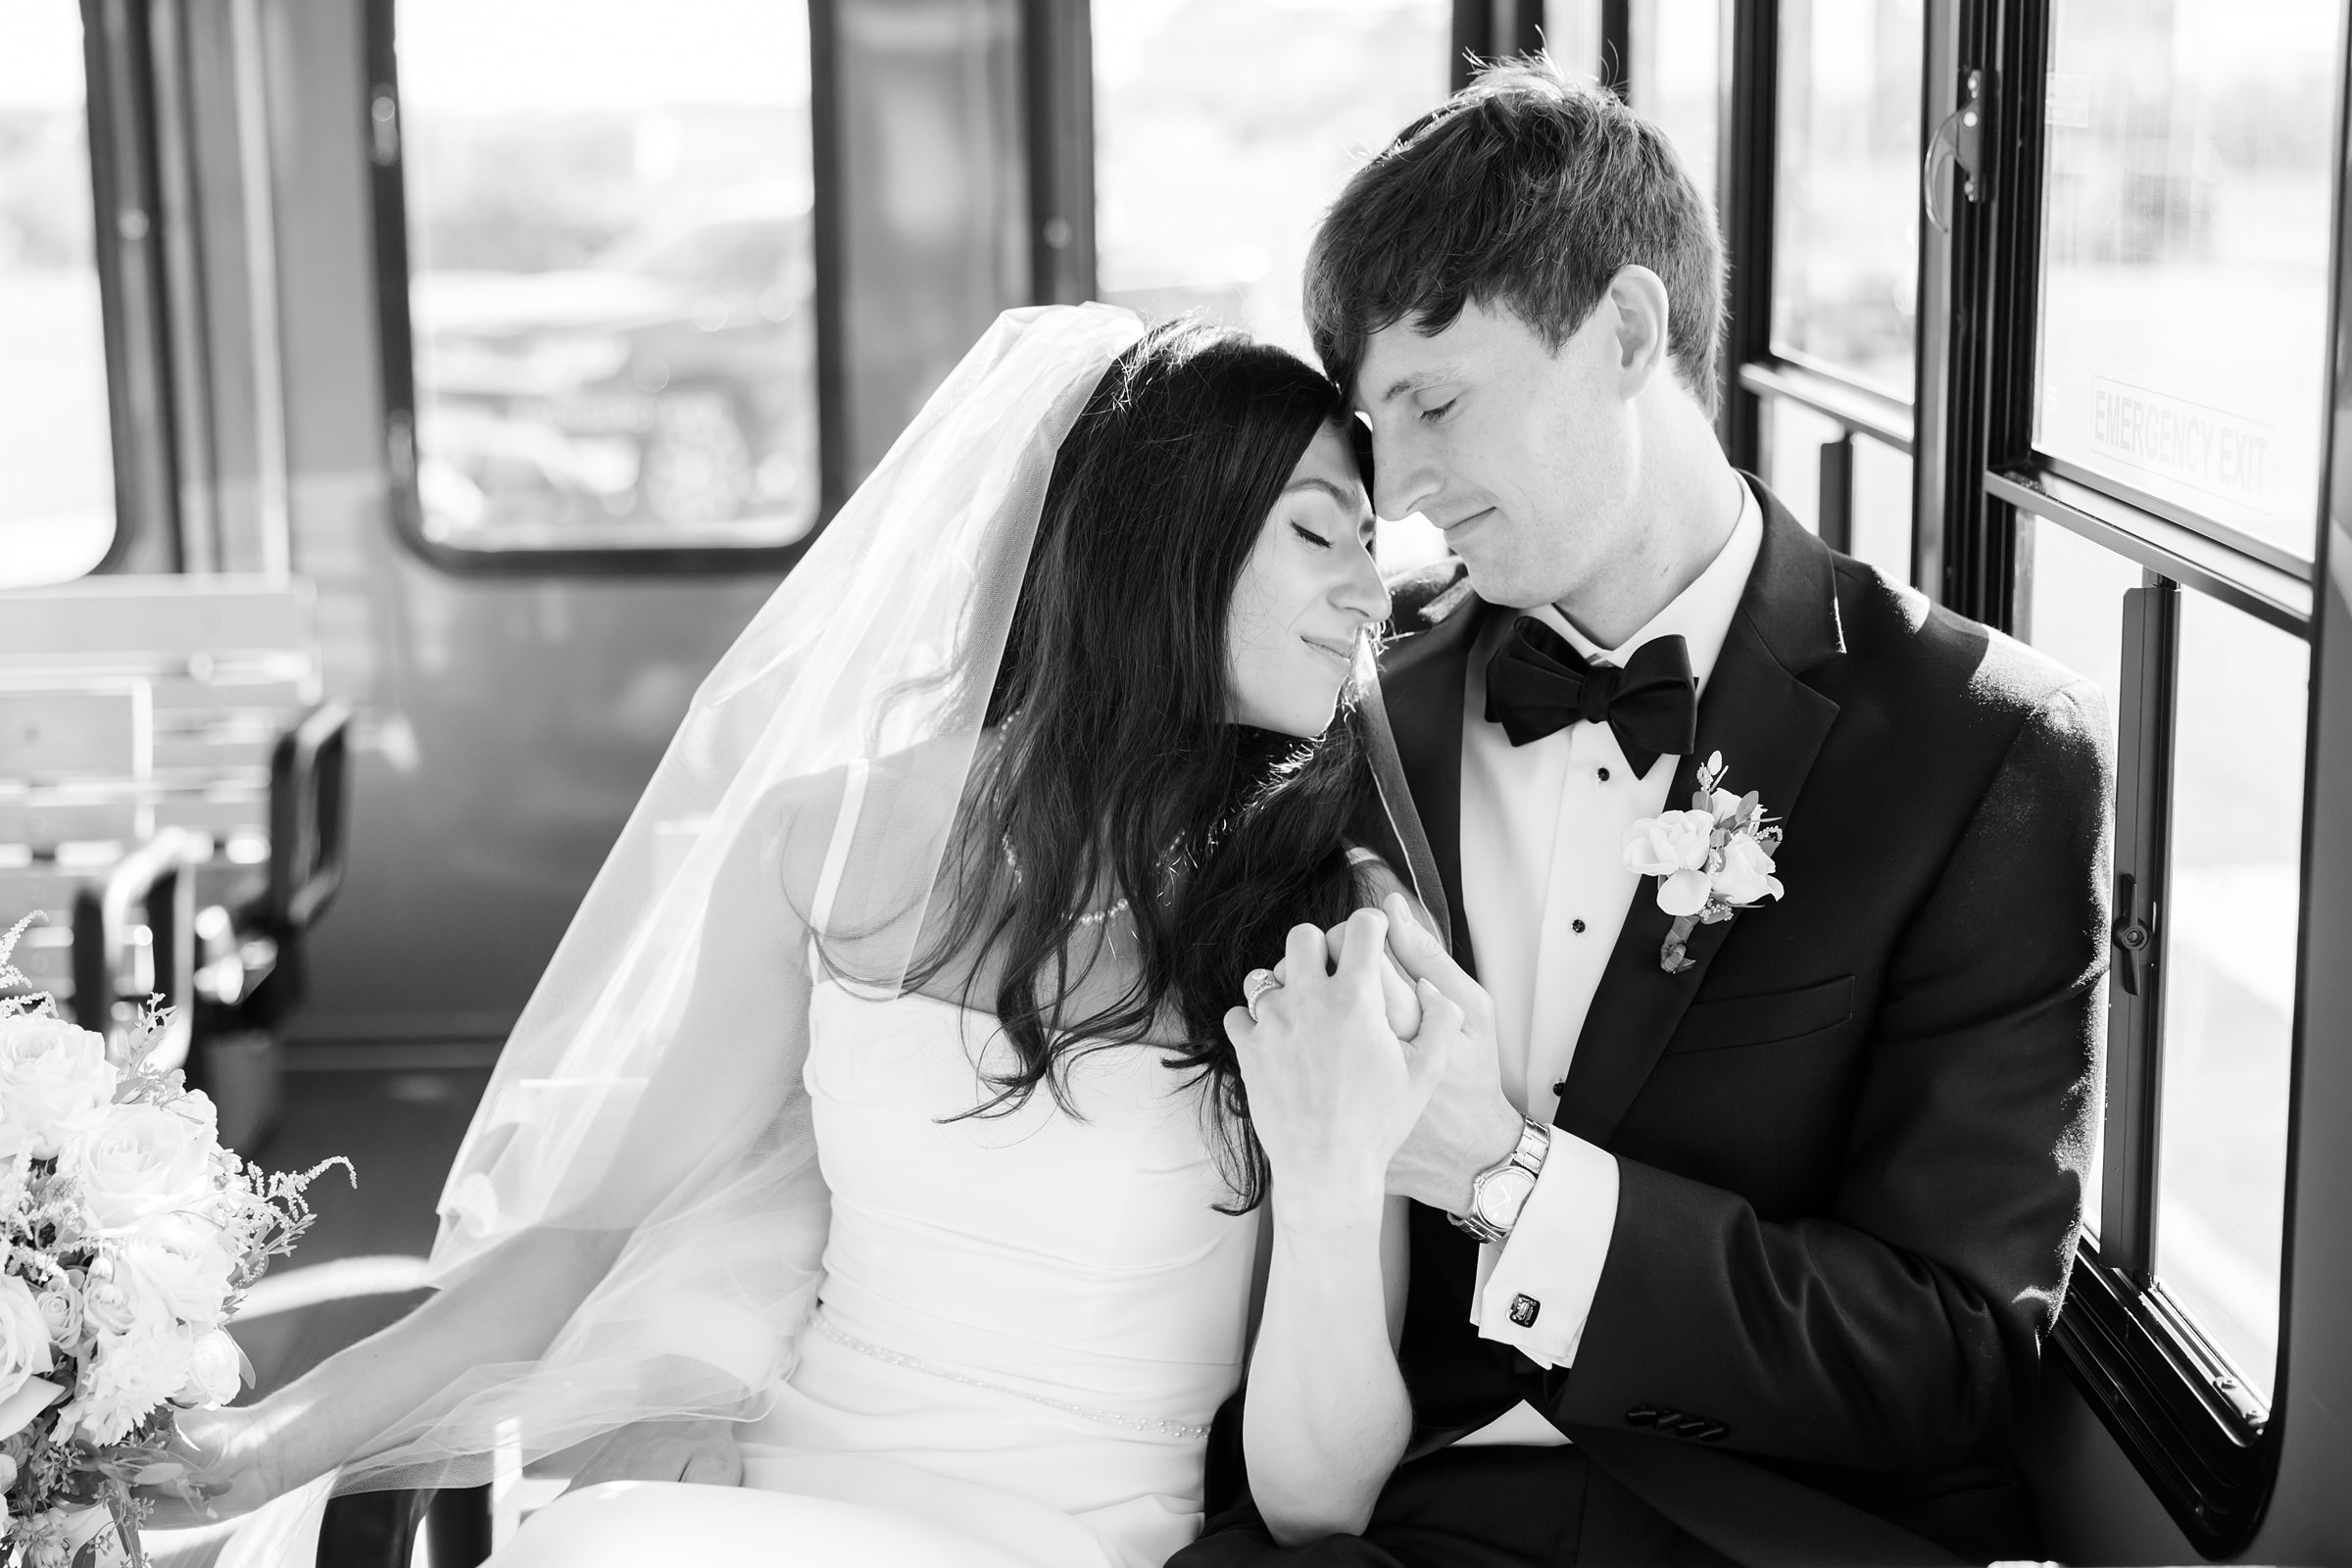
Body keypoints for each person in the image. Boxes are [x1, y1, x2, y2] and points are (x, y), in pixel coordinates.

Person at [143, 305, 1454, 1568]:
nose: (1371, 596)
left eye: (1371, 545)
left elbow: (1318, 1504)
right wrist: (267, 1446)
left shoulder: (1327, 933)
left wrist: (1333, 1176)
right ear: (1165, 545)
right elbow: (595, 1235)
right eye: (1319, 534)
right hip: (778, 1488)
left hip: (1066, 1532)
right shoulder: (823, 844)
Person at [1177, 62, 2111, 1567]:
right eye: (1372, 425)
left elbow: (1948, 1356)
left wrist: (1503, 1176)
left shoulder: (1984, 747)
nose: (1396, 491)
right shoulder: (1355, 708)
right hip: (1394, 1509)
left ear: (1625, 330)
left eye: (1435, 401)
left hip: (1769, 1532)